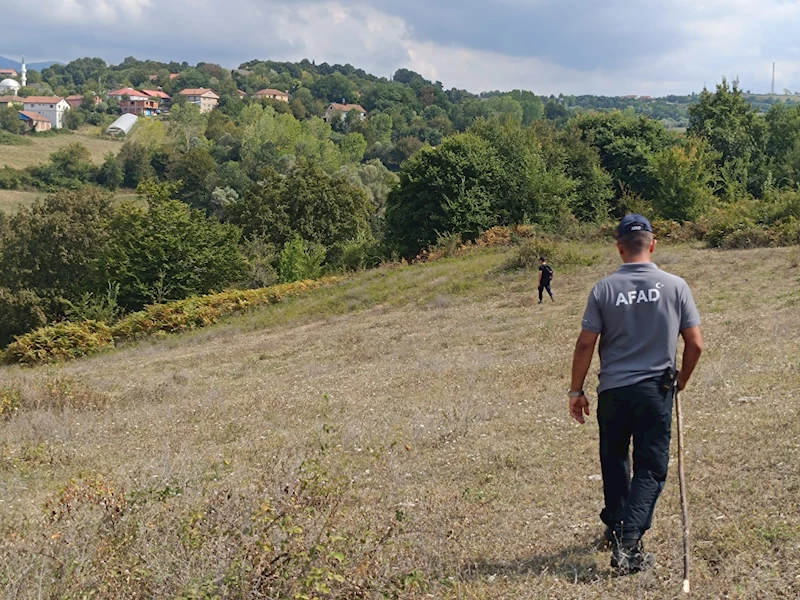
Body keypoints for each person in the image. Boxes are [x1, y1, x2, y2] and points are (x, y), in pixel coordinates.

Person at [567, 214, 704, 574]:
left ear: (619, 248)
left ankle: (618, 530)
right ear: (654, 245)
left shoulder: (603, 289)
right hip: (654, 390)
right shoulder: (676, 286)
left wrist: (575, 390)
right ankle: (628, 542)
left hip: (613, 391)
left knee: (614, 461)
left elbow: (585, 344)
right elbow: (695, 345)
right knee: (651, 468)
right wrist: (682, 380)